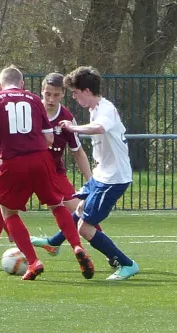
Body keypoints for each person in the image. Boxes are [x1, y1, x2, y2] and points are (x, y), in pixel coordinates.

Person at [0, 65, 95, 281]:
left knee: (9, 212)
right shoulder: (34, 99)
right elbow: (49, 139)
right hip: (41, 159)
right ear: (23, 84)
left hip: (12, 162)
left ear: (0, 84)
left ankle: (34, 262)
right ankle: (76, 247)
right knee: (57, 205)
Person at [58, 66, 139, 280]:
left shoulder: (105, 109)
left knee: (85, 227)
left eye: (75, 92)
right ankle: (53, 243)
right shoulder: (95, 110)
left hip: (113, 179)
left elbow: (100, 128)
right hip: (102, 176)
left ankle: (127, 264)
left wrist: (72, 128)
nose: (73, 97)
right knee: (79, 206)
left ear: (86, 90)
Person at [28, 72, 102, 256]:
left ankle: (108, 250)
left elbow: (78, 152)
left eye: (56, 94)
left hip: (55, 173)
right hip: (28, 170)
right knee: (0, 204)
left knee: (82, 209)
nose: (51, 99)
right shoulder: (30, 111)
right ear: (42, 91)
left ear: (63, 94)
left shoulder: (67, 119)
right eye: (47, 94)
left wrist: (91, 181)